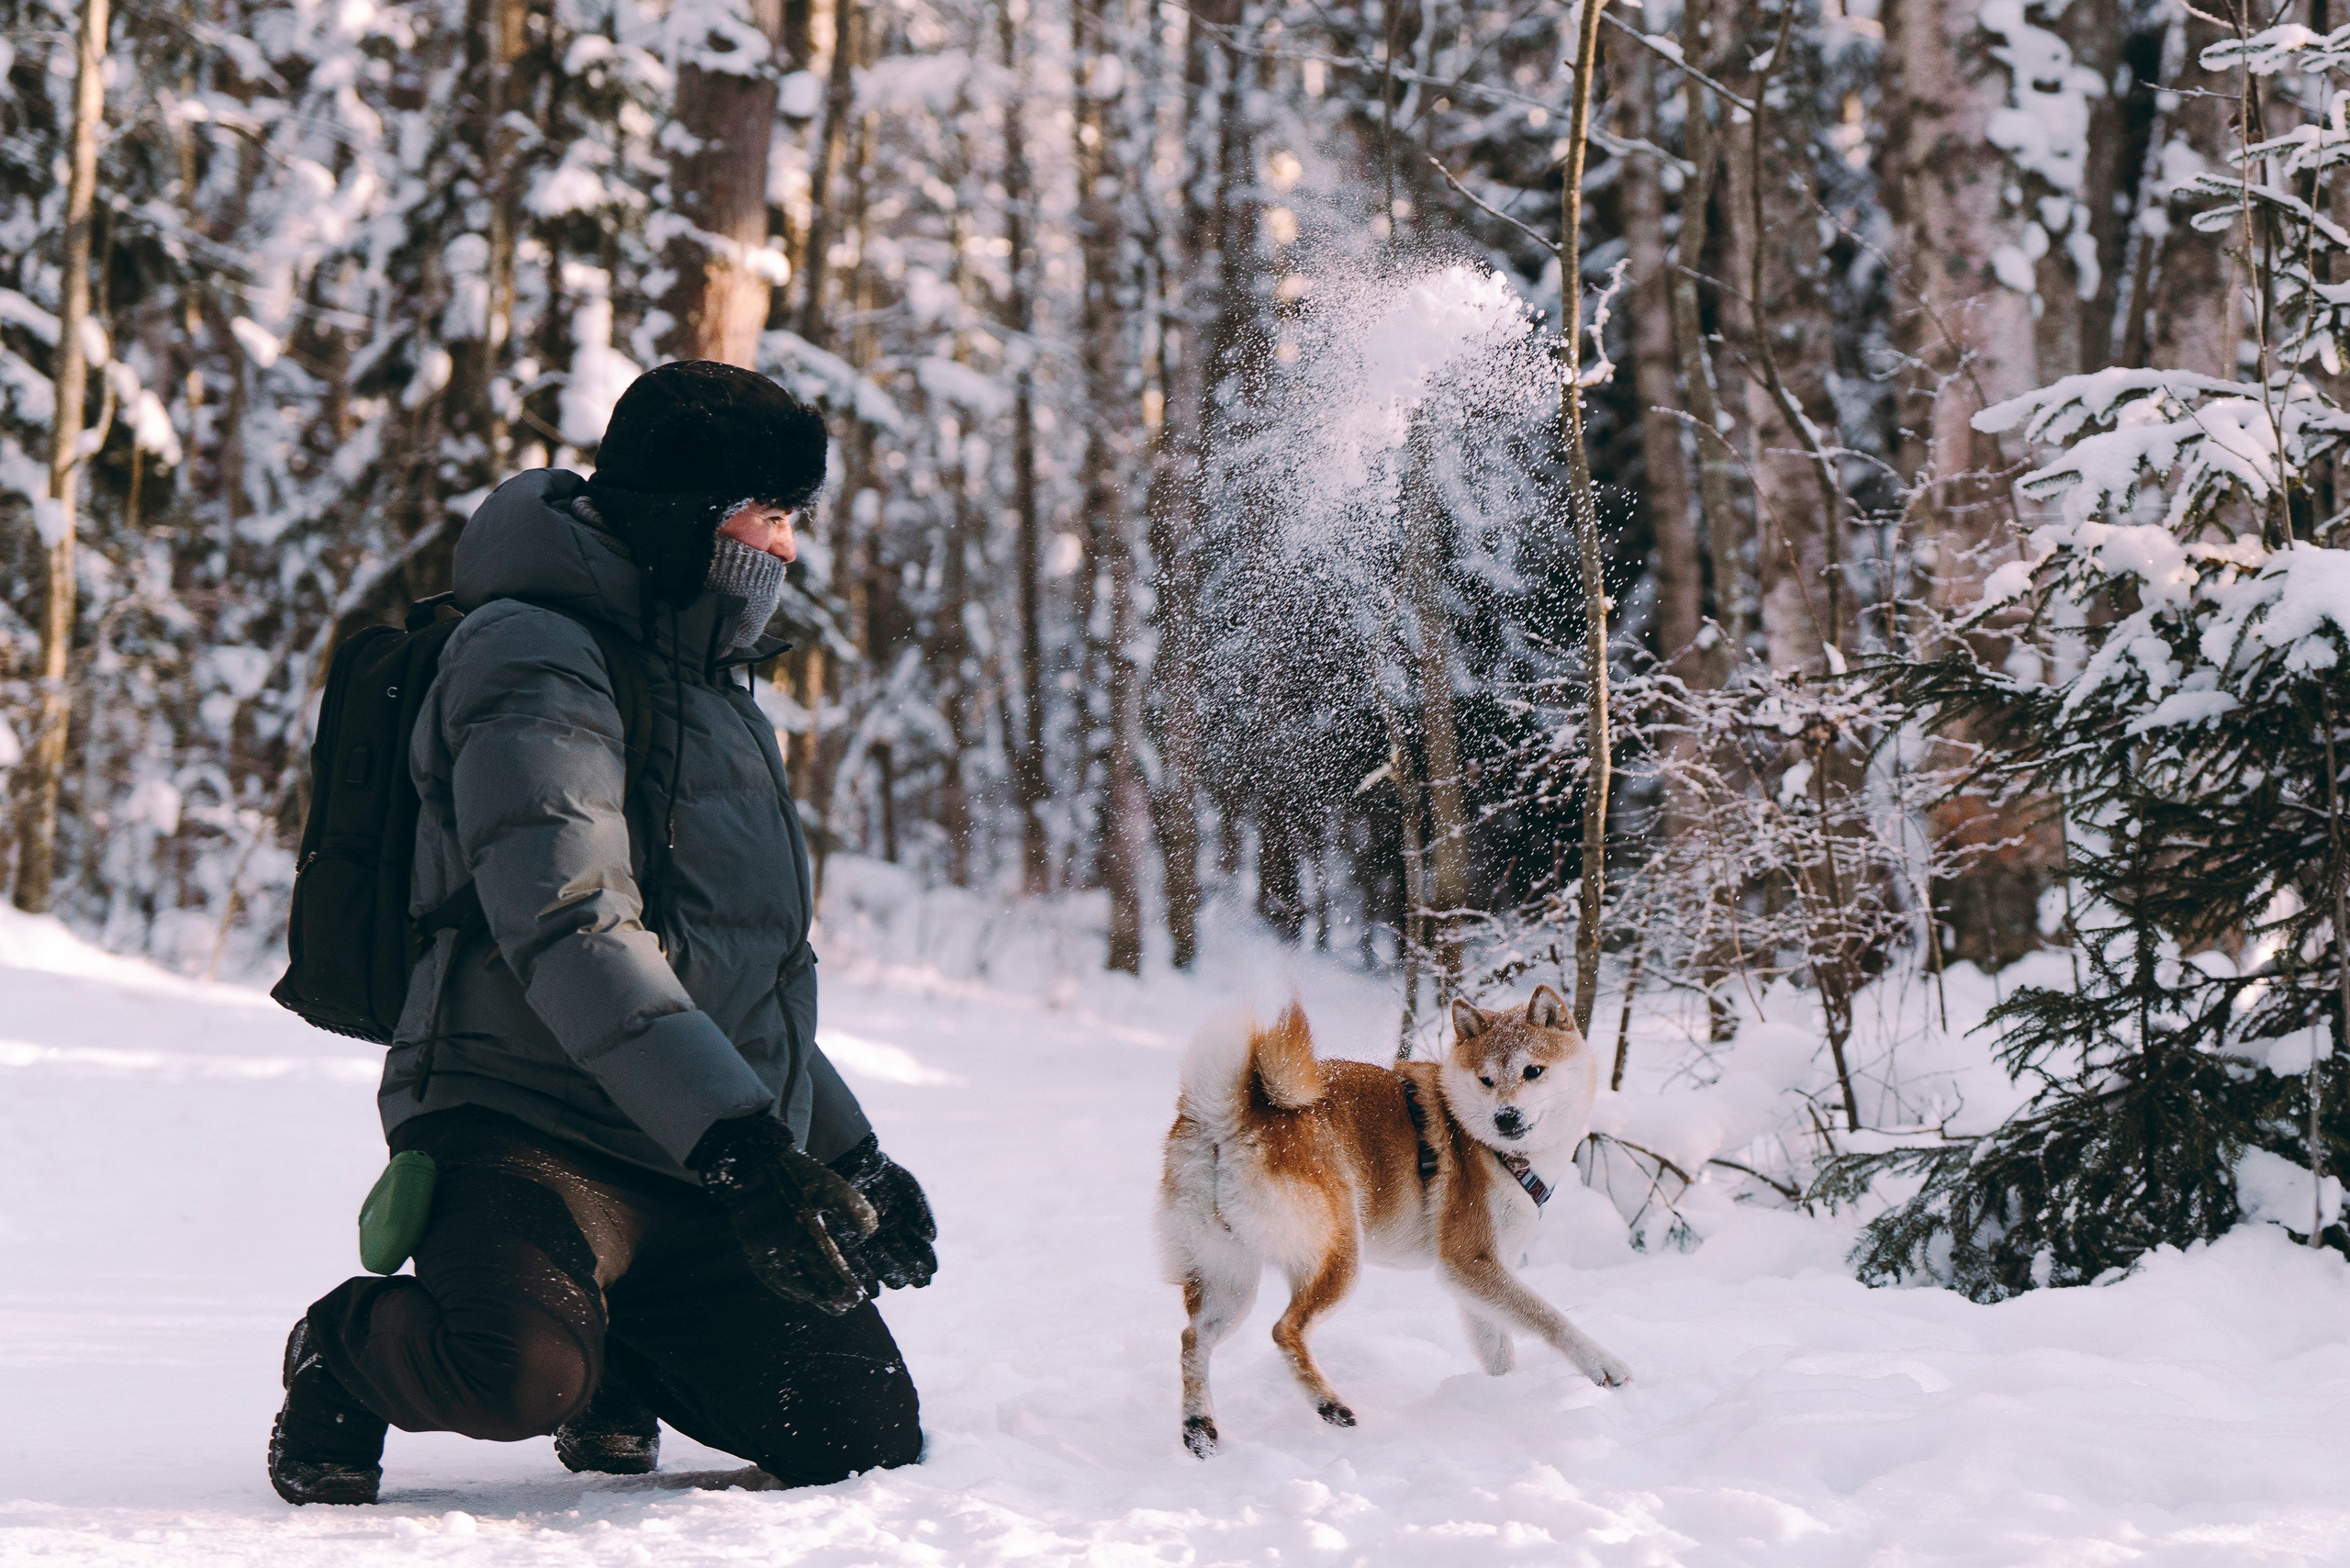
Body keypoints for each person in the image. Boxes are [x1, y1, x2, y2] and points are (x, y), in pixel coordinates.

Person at [267, 362, 935, 1505]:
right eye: (762, 515)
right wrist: (741, 1143)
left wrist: (846, 1152)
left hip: (684, 1145)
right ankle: (344, 1348)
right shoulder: (527, 653)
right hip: (522, 1122)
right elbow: (571, 924)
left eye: (793, 519)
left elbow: (747, 981)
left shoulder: (719, 690)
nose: (784, 548)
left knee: (855, 1430)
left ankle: (620, 1344)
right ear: (682, 516)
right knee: (517, 1372)